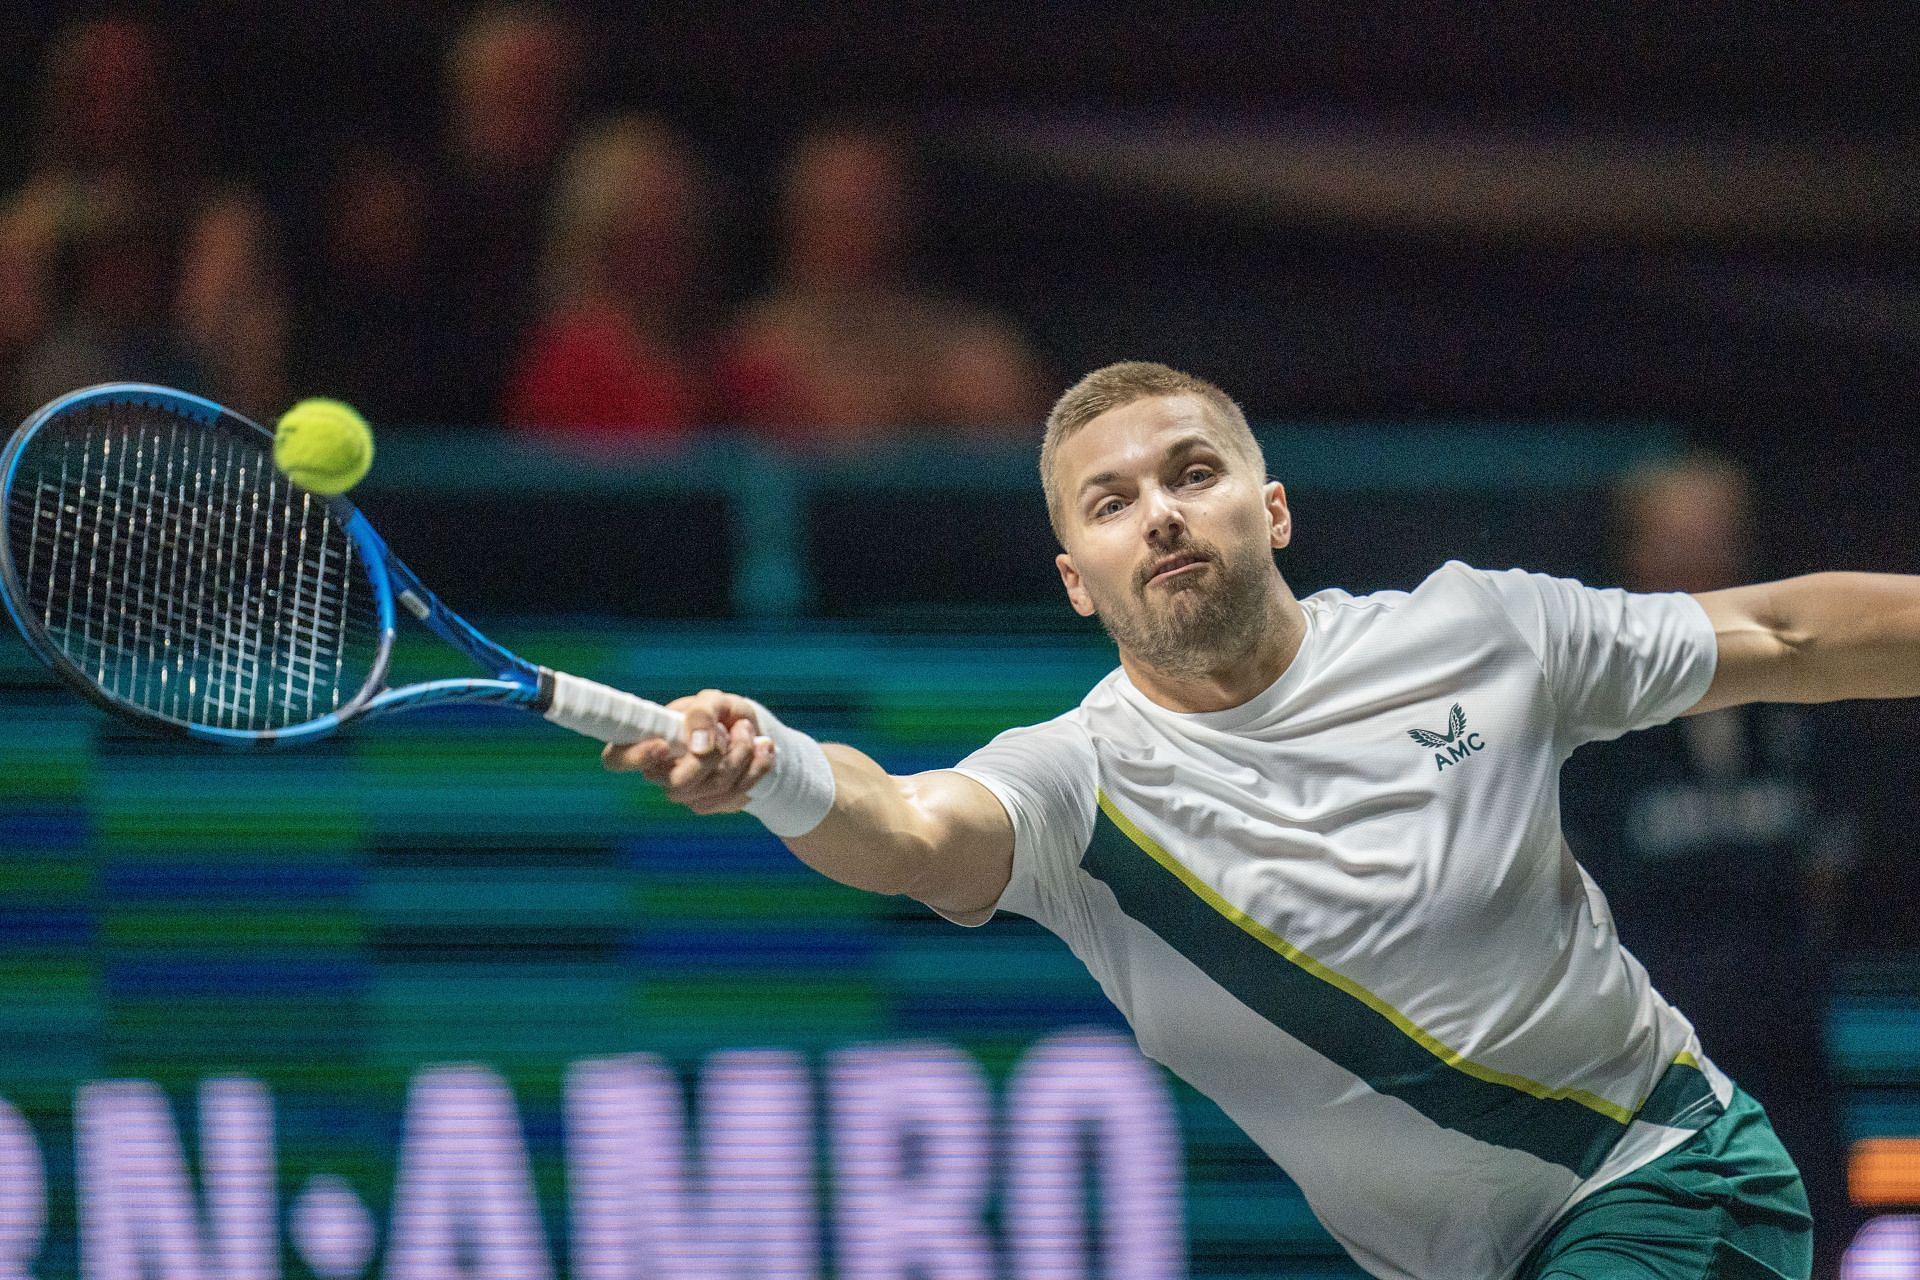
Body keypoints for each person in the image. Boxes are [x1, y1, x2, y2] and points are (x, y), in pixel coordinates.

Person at [602, 360, 1920, 1280]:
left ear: (1270, 508)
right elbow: (902, 825)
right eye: (1111, 504)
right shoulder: (1078, 785)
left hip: (1670, 1183)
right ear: (1077, 580)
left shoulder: (1477, 636)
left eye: (1192, 472)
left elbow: (1788, 632)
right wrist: (771, 770)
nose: (1160, 512)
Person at [1560, 455, 1860, 1279]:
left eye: (1719, 546)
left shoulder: (1807, 701)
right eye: (1675, 547)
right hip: (1644, 1096)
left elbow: (1828, 879)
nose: (1700, 572)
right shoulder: (1584, 723)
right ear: (1631, 558)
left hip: (1792, 1068)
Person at [717, 124, 1044, 439]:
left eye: (874, 211)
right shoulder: (749, 349)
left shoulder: (976, 349)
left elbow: (1022, 434)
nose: (857, 236)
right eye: (837, 214)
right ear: (794, 224)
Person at [500, 115, 716, 440]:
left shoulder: (702, 356)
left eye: (676, 220)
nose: (666, 239)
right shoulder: (572, 362)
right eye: (646, 227)